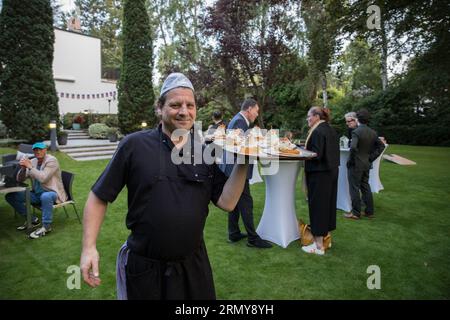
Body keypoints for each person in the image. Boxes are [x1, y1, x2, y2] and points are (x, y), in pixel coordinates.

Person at [80, 72, 250, 300]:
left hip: (194, 266)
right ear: (159, 109)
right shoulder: (135, 145)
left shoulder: (204, 151)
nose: (184, 111)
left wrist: (245, 159)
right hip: (146, 268)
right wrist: (89, 247)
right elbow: (99, 196)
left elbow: (227, 202)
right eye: (175, 104)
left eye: (190, 105)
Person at [219, 98, 272, 248]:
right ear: (249, 109)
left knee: (234, 202)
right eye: (256, 110)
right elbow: (239, 149)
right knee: (246, 203)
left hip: (232, 168)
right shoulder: (239, 122)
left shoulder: (238, 120)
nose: (257, 114)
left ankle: (234, 233)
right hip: (236, 169)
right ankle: (253, 239)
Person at [5, 142, 67, 239]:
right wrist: (22, 169)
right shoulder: (33, 161)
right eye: (35, 150)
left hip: (52, 193)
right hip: (37, 194)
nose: (38, 151)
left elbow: (43, 178)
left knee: (45, 196)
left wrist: (30, 167)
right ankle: (32, 219)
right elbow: (20, 179)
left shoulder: (52, 161)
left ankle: (46, 226)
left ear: (45, 150)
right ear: (33, 151)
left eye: (40, 149)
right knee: (11, 196)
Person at [302, 107, 339, 255]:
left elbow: (316, 154)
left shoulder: (317, 131)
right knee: (328, 207)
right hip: (331, 172)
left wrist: (302, 152)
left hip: (319, 174)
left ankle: (318, 246)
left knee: (318, 207)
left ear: (317, 116)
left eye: (309, 116)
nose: (307, 119)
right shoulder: (330, 129)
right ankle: (326, 240)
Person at [344, 109, 385, 220]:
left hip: (356, 164)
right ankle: (369, 212)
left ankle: (356, 213)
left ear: (357, 119)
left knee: (354, 188)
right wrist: (371, 157)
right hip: (366, 163)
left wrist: (351, 160)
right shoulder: (373, 132)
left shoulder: (356, 132)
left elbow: (352, 147)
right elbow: (381, 146)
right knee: (365, 187)